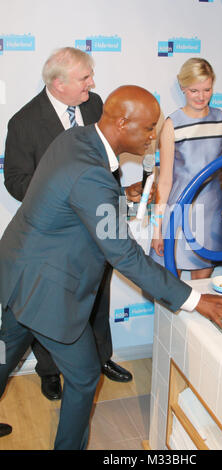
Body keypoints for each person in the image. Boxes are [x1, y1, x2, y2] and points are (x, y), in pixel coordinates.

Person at [0, 85, 222, 449]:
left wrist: (123, 196)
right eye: (148, 128)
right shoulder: (92, 174)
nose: (152, 137)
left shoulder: (77, 140)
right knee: (84, 375)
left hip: (18, 270)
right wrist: (195, 299)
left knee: (4, 356)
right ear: (122, 122)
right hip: (45, 288)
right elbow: (124, 254)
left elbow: (81, 204)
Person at [3, 47, 132, 403]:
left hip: (98, 226)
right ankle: (49, 371)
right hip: (55, 236)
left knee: (97, 297)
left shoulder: (94, 105)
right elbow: (14, 179)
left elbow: (107, 160)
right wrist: (64, 194)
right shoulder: (24, 121)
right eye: (84, 78)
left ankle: (100, 359)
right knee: (48, 309)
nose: (92, 83)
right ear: (58, 84)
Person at [150, 58, 222, 280]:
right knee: (171, 291)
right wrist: (157, 231)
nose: (201, 96)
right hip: (180, 212)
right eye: (194, 90)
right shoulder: (171, 124)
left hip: (212, 215)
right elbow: (164, 182)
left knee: (202, 292)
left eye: (207, 89)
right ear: (182, 87)